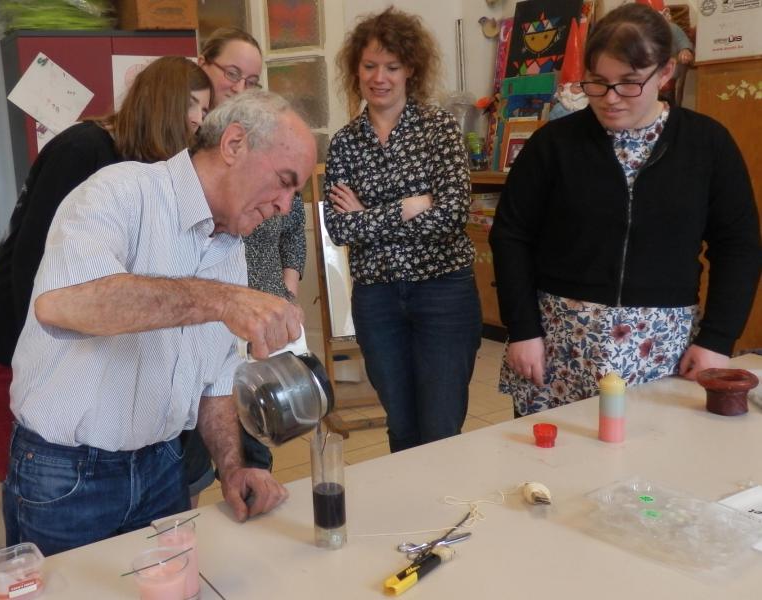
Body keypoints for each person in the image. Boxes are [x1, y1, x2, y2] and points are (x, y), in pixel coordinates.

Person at [4, 90, 317, 556]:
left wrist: (233, 467)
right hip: (69, 475)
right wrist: (223, 301)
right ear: (233, 144)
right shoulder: (121, 191)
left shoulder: (229, 246)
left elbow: (215, 381)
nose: (286, 206)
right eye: (284, 182)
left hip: (162, 466)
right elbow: (63, 307)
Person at [489, 3, 760, 418]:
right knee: (555, 469)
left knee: (652, 464)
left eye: (630, 83)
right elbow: (511, 237)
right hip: (560, 340)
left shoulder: (707, 144)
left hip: (662, 344)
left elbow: (738, 245)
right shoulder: (553, 144)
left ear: (665, 73)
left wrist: (717, 339)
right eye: (597, 83)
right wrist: (523, 329)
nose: (611, 99)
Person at [0, 56, 212, 482]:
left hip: (48, 340)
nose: (198, 123)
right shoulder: (84, 149)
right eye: (194, 108)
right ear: (166, 105)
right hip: (1, 346)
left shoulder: (138, 165)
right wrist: (39, 361)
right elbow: (33, 265)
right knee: (33, 487)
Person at [324, 8, 482, 453]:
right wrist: (408, 207)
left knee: (441, 428)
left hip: (443, 293)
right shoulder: (345, 142)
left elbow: (452, 216)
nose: (380, 77)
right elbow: (338, 226)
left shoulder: (440, 129)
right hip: (378, 298)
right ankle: (409, 515)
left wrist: (369, 217)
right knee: (401, 426)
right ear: (356, 70)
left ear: (410, 69)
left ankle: (444, 518)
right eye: (370, 66)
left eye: (391, 67)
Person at [178, 27, 307, 506]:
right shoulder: (184, 159)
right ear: (202, 65)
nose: (239, 87)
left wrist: (288, 287)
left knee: (255, 425)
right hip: (208, 312)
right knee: (193, 436)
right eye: (232, 73)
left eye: (252, 81)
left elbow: (293, 228)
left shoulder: (270, 148)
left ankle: (248, 484)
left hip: (262, 308)